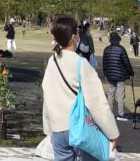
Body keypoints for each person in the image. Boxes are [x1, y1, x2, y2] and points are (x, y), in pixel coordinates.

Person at [41, 16, 118, 161]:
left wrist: (48, 128)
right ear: (73, 37)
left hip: (57, 128)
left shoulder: (52, 60)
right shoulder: (81, 63)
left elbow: (48, 94)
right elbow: (97, 103)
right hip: (79, 127)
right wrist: (112, 132)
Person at [101, 32, 134, 120]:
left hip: (110, 75)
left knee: (111, 94)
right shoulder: (121, 49)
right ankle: (120, 113)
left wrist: (105, 73)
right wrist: (131, 73)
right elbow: (126, 62)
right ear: (119, 40)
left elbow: (104, 63)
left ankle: (109, 113)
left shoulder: (106, 49)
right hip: (120, 75)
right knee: (120, 94)